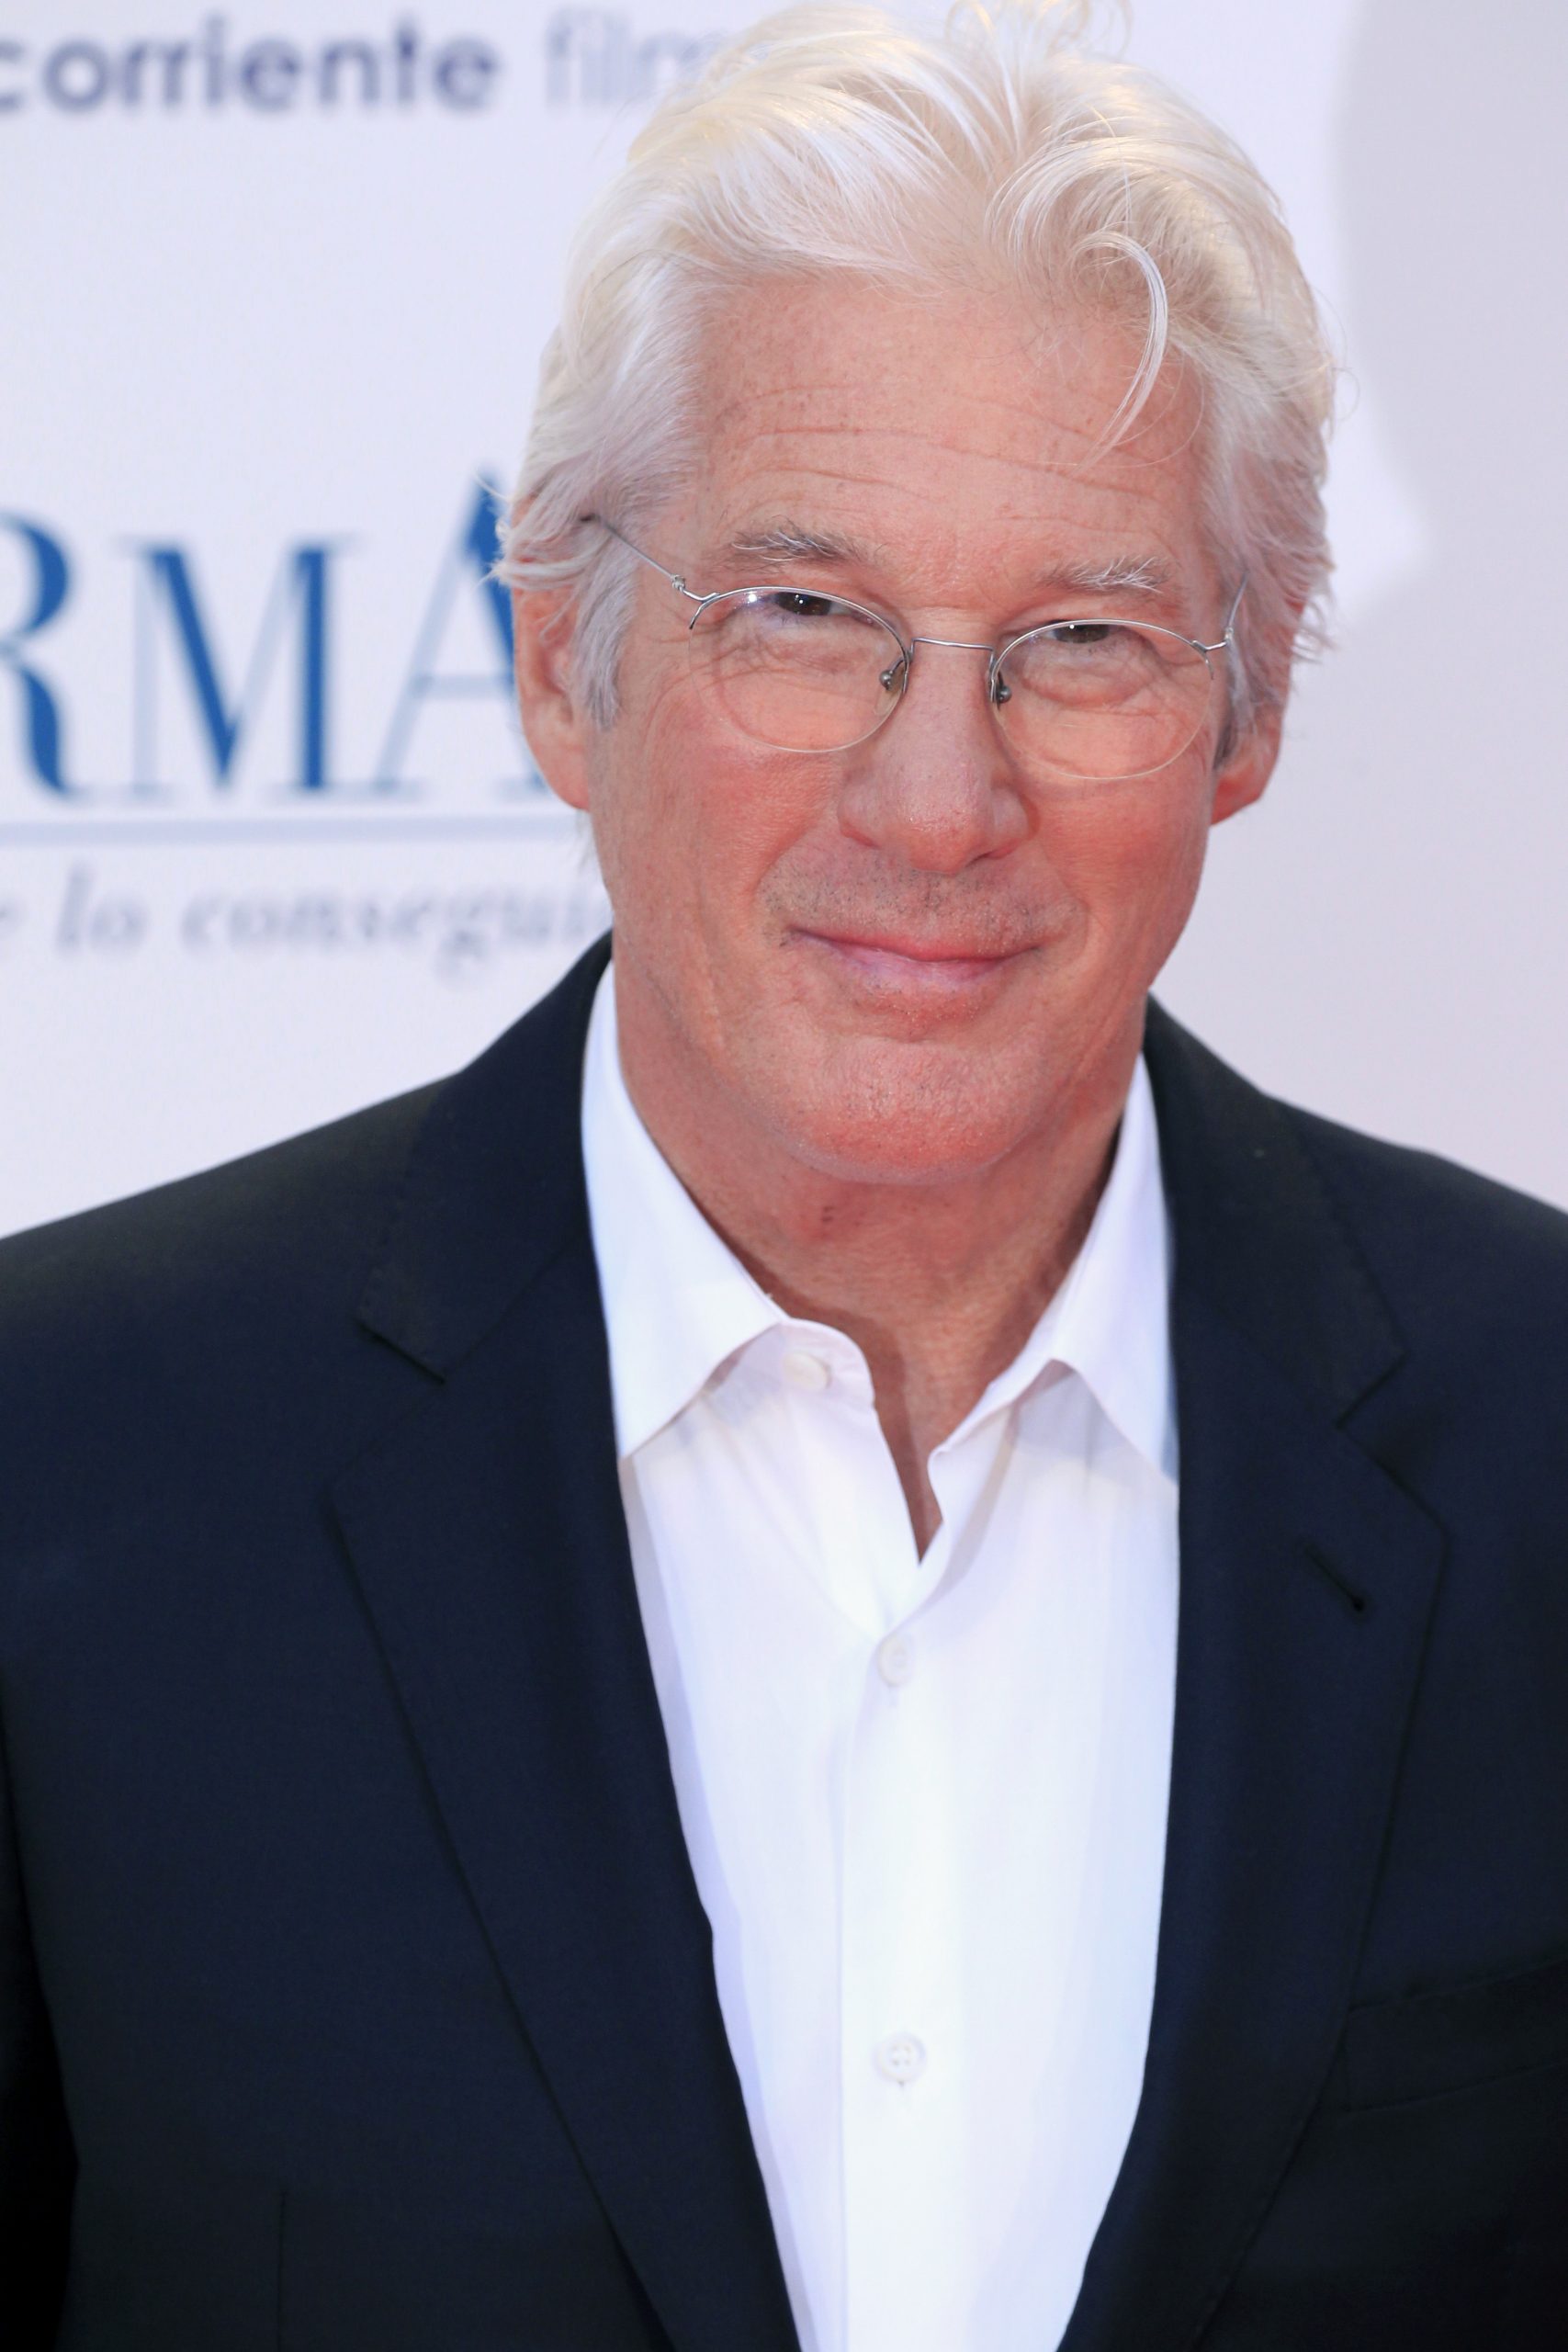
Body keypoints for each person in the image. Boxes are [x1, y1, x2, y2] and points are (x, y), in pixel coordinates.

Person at [3, 5, 1566, 2346]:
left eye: (1082, 640)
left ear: (1241, 721)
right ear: (562, 667)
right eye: (804, 615)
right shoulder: (62, 1458)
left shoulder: (1539, 1435)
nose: (935, 801)